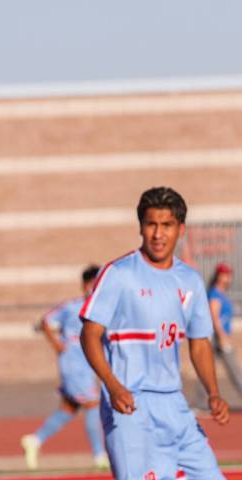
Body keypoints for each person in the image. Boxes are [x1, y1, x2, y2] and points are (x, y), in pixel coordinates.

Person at [80, 186, 230, 480]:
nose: (158, 234)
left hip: (174, 403)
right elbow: (89, 335)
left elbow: (199, 344)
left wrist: (214, 393)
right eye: (151, 224)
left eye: (167, 225)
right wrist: (113, 385)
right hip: (129, 405)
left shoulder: (189, 280)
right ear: (141, 227)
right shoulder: (119, 273)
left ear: (180, 229)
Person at [21, 265, 107, 470]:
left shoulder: (103, 308)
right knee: (93, 405)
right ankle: (99, 455)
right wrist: (56, 343)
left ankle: (34, 440)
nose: (93, 288)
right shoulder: (72, 307)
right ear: (84, 285)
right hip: (73, 365)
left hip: (87, 367)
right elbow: (44, 321)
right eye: (91, 284)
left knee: (68, 409)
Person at [208, 262, 242, 396]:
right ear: (218, 276)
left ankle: (199, 401)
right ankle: (198, 402)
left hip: (221, 338)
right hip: (217, 339)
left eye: (229, 275)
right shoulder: (215, 294)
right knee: (234, 369)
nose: (228, 278)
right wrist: (222, 338)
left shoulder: (222, 294)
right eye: (225, 275)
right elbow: (215, 317)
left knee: (208, 370)